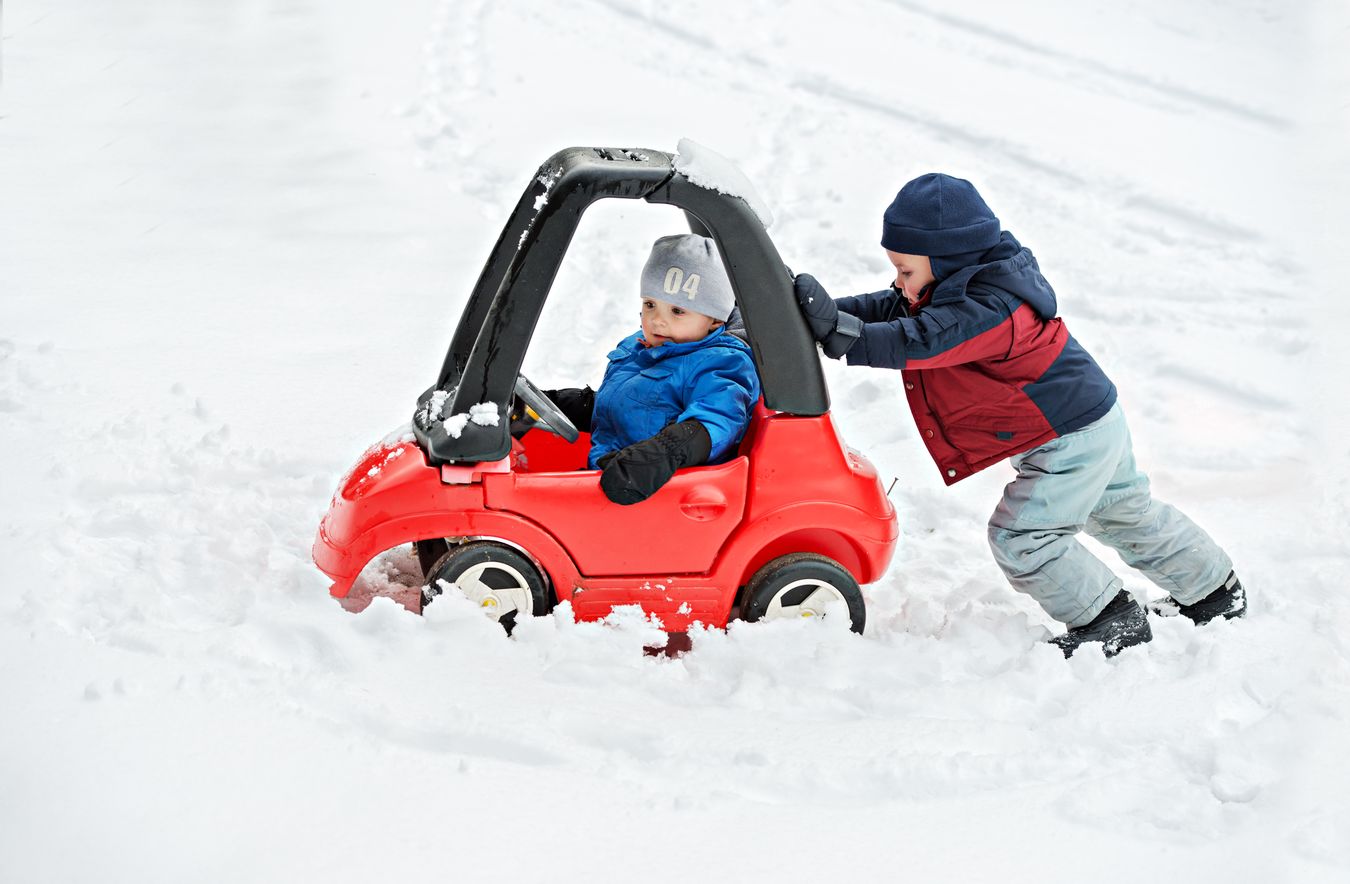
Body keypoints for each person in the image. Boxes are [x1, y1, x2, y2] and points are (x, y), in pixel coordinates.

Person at [793, 172, 1244, 657]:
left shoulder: (993, 307)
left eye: (906, 271)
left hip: (1071, 435)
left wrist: (843, 335)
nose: (900, 285)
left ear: (947, 261)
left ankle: (1109, 620)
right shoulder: (963, 282)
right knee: (1122, 513)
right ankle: (1215, 592)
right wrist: (830, 315)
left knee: (1023, 536)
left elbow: (920, 338)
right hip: (1090, 418)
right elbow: (894, 308)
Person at [543, 234, 760, 506]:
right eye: (650, 304)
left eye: (678, 311)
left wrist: (661, 455)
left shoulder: (719, 363)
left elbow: (716, 419)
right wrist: (553, 404)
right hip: (608, 482)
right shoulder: (643, 348)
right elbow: (628, 408)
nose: (657, 320)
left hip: (662, 498)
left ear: (715, 320)